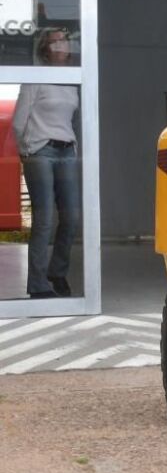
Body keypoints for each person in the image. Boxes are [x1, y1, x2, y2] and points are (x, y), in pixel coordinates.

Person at [12, 28, 80, 299]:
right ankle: (38, 284)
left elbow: (71, 119)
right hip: (40, 151)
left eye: (65, 40)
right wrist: (28, 149)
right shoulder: (35, 79)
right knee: (44, 219)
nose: (63, 44)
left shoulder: (72, 80)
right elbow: (19, 122)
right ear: (46, 49)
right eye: (57, 41)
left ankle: (57, 272)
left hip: (66, 152)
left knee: (72, 217)